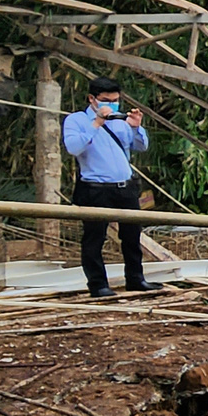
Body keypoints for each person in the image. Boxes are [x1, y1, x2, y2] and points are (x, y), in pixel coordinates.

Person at [62, 76, 157, 299]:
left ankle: (136, 279)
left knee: (132, 236)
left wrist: (136, 128)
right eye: (107, 100)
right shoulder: (76, 120)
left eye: (116, 100)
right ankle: (98, 285)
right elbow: (74, 148)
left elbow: (141, 147)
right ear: (92, 99)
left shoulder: (120, 121)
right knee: (95, 238)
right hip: (95, 188)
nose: (112, 104)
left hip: (125, 187)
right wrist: (96, 123)